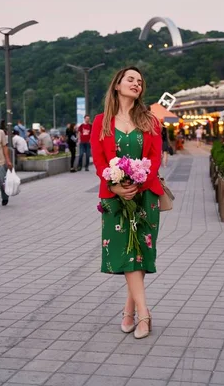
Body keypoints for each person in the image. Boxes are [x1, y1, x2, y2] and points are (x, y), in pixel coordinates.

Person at [91, 66, 162, 340]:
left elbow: (155, 158)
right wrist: (115, 185)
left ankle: (130, 312)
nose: (136, 84)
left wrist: (139, 183)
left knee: (140, 253)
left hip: (146, 195)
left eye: (140, 81)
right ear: (117, 84)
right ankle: (144, 314)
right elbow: (98, 160)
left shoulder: (151, 121)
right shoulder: (101, 121)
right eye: (130, 79)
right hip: (114, 196)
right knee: (126, 252)